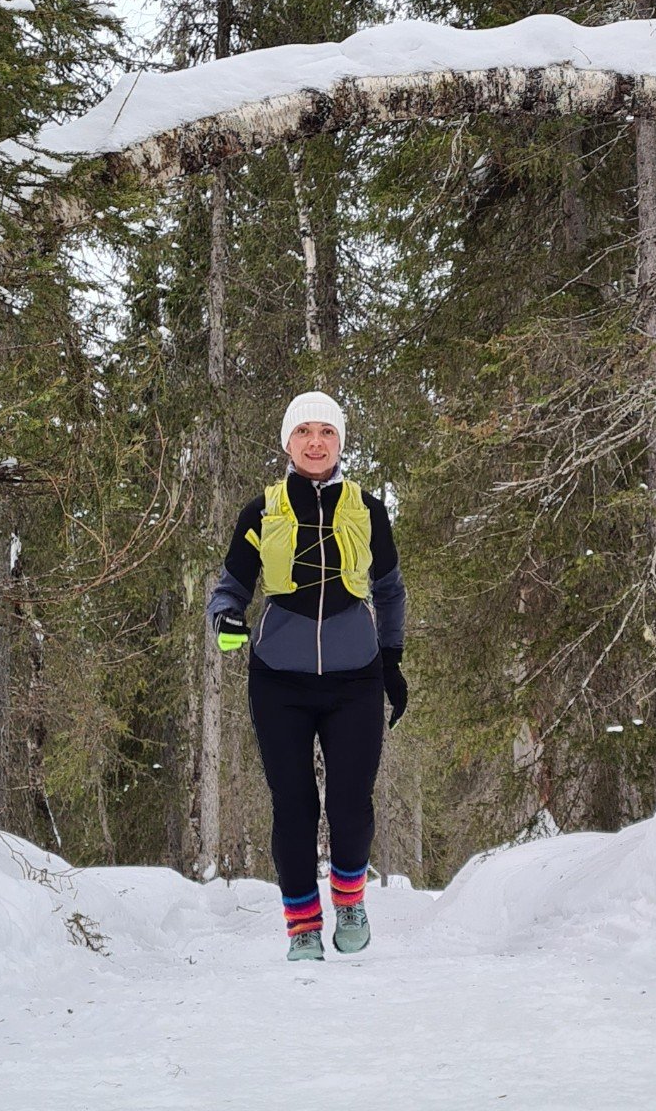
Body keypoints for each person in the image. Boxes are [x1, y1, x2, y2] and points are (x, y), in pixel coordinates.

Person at [206, 391, 407, 962]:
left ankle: (348, 899)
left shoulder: (368, 510)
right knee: (293, 803)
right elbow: (230, 589)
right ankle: (302, 928)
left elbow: (390, 591)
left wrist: (391, 660)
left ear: (340, 443)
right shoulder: (261, 511)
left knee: (350, 803)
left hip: (356, 679)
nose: (315, 442)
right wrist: (225, 619)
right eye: (304, 432)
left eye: (326, 432)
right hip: (279, 680)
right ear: (288, 443)